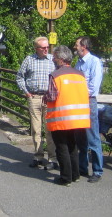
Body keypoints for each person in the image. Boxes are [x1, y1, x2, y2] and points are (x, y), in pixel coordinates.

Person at [44, 45, 91, 186]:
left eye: (55, 57)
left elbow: (51, 97)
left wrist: (44, 97)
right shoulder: (80, 74)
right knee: (72, 146)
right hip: (78, 117)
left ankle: (65, 178)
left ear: (61, 59)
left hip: (60, 117)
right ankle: (75, 174)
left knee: (61, 147)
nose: (53, 59)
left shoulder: (55, 75)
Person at [16, 36, 58, 170]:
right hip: (34, 97)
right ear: (36, 48)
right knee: (36, 129)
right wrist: (27, 92)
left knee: (50, 129)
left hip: (49, 98)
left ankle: (52, 158)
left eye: (47, 47)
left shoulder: (53, 60)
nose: (46, 49)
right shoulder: (29, 60)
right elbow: (20, 77)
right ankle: (38, 156)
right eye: (43, 47)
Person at [74, 36, 104, 183]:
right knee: (80, 138)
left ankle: (97, 171)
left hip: (88, 102)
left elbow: (94, 85)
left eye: (77, 45)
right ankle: (82, 167)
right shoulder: (78, 63)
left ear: (83, 46)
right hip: (78, 103)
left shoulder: (94, 62)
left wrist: (80, 94)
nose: (75, 47)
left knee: (92, 137)